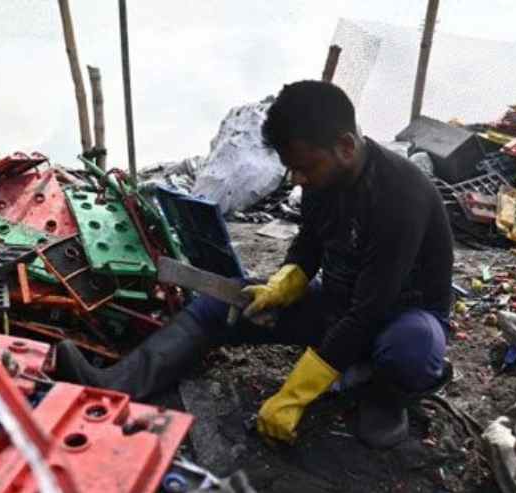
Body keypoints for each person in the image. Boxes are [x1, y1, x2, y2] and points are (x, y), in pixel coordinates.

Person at [55, 80, 454, 449]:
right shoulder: (323, 180)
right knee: (221, 303)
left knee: (411, 349)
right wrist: (285, 281)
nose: (296, 179)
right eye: (290, 168)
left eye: (304, 167)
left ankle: (385, 399)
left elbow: (369, 312)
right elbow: (309, 245)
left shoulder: (400, 198)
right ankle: (117, 384)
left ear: (346, 146)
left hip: (397, 317)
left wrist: (292, 396)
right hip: (339, 306)